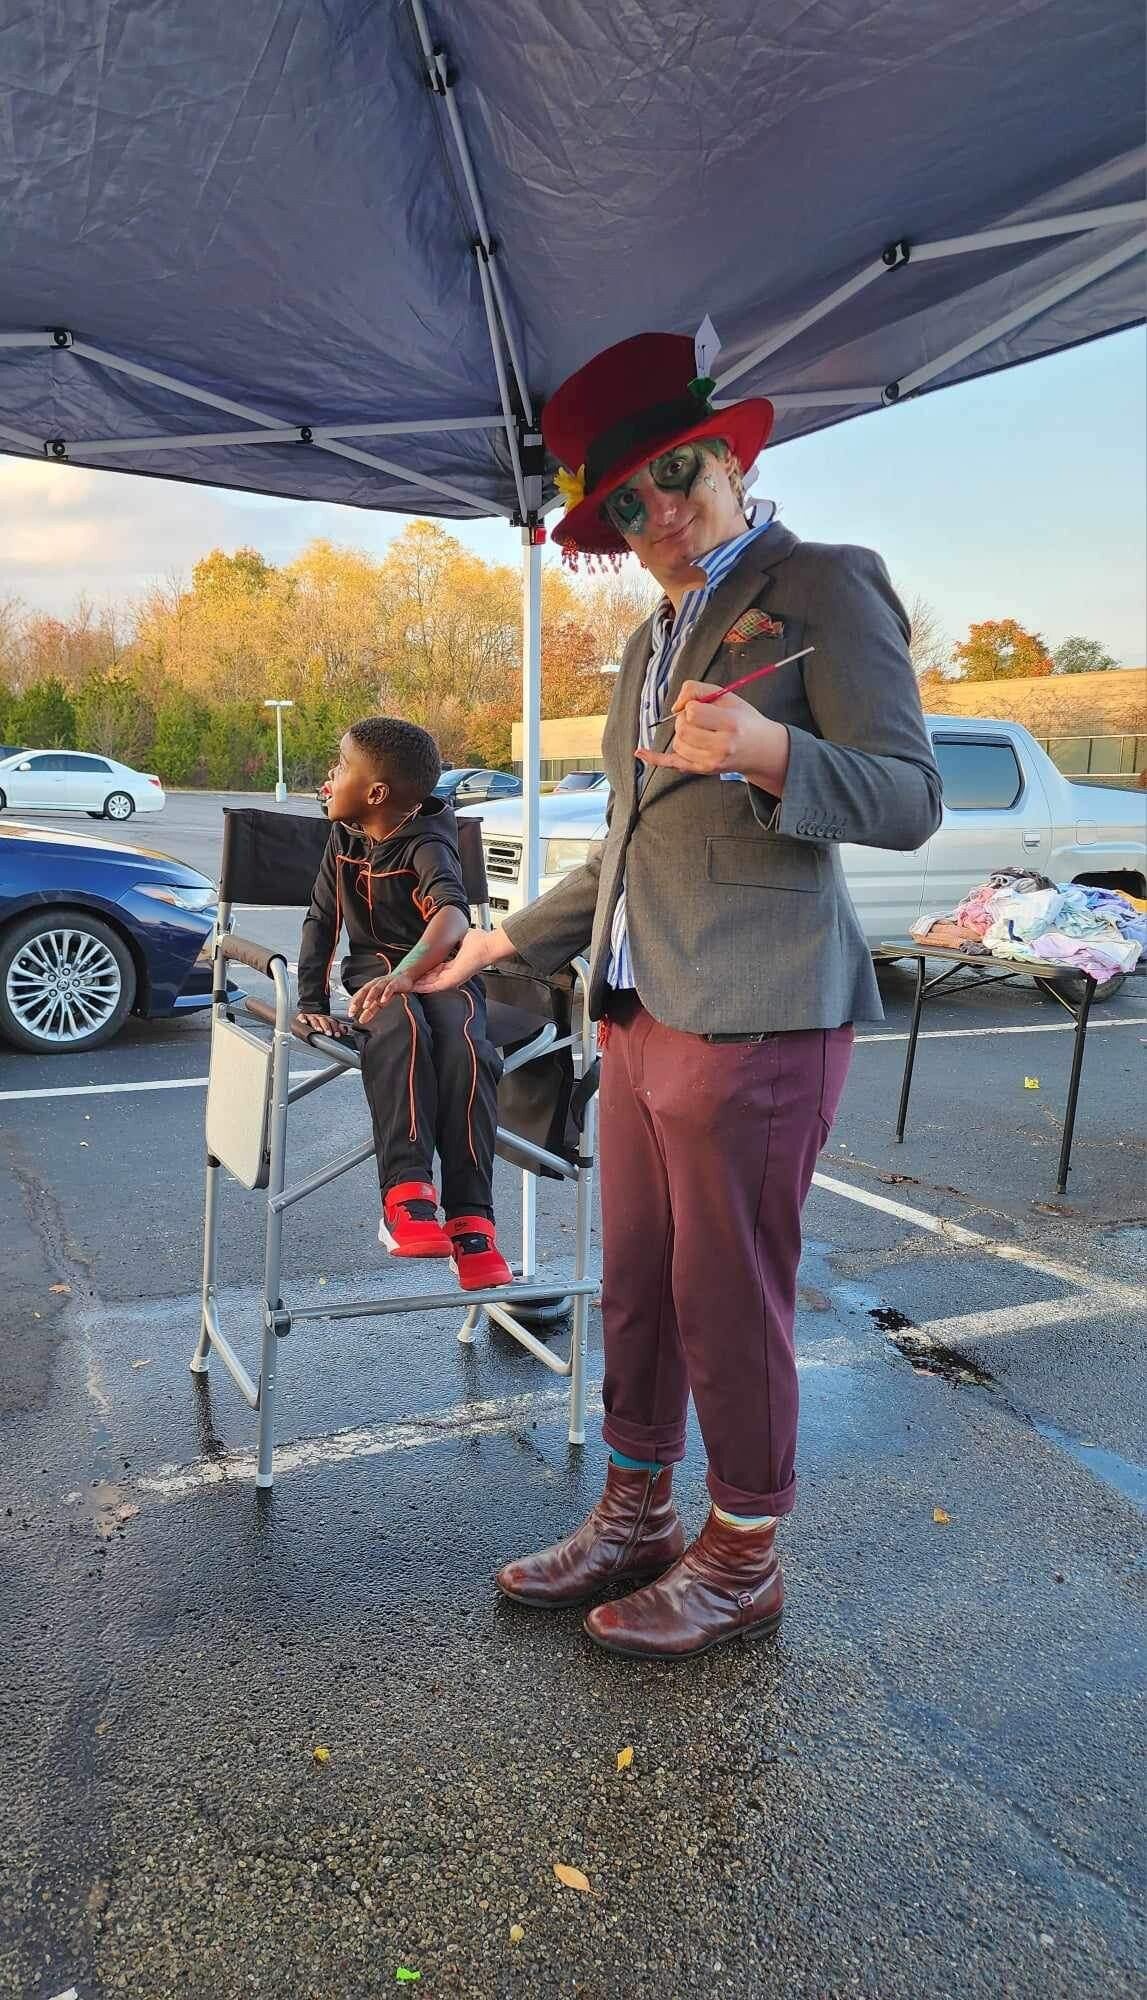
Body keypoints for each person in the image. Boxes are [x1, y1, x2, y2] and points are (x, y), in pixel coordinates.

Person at [410, 331, 943, 1660]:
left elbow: (907, 797)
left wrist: (771, 751)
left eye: (676, 476)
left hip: (759, 1013)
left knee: (727, 1294)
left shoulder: (820, 582)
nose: (658, 515)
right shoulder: (649, 638)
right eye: (627, 502)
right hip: (639, 1014)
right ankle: (636, 1512)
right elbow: (626, 842)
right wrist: (500, 943)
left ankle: (743, 1552)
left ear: (729, 461)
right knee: (638, 1284)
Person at [295, 716, 511, 1292]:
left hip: (444, 971)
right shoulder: (342, 838)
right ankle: (407, 1194)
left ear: (376, 793)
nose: (330, 775)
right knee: (401, 1026)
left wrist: (409, 973)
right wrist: (311, 998)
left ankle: (472, 1222)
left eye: (341, 766)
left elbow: (453, 917)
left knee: (466, 1049)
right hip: (375, 974)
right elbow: (322, 919)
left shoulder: (430, 840)